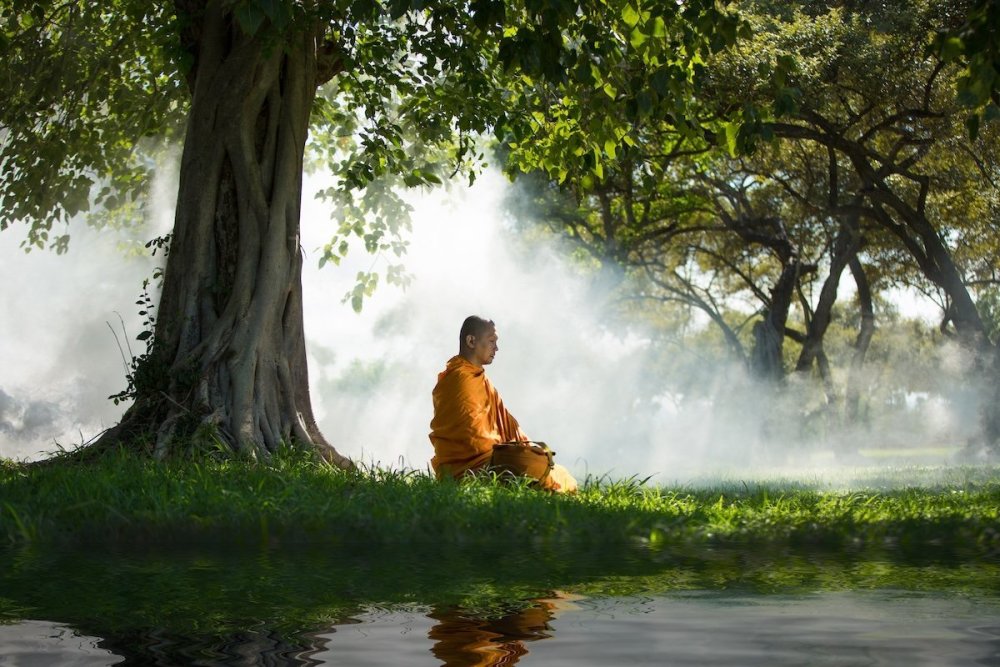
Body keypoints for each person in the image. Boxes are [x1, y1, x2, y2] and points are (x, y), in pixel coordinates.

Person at [428, 315, 578, 493]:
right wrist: (506, 452)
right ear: (471, 341)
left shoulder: (479, 377)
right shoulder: (460, 379)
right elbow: (474, 439)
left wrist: (521, 449)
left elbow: (505, 424)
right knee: (531, 466)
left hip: (492, 460)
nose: (496, 348)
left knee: (551, 468)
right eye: (492, 341)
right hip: (470, 468)